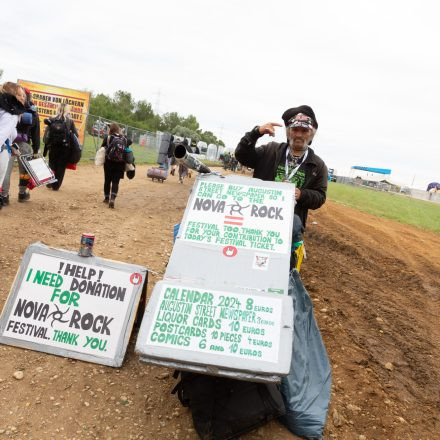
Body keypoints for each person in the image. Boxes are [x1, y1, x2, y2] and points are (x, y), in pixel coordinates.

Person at [235, 105, 328, 269]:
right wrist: (256, 132)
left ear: (311, 134)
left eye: (304, 131)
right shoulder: (270, 151)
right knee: (247, 267)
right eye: (295, 129)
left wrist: (302, 194)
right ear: (288, 131)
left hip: (288, 233)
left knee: (282, 274)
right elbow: (242, 156)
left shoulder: (318, 166)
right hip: (256, 224)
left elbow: (320, 197)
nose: (299, 134)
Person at [1, 88, 40, 204]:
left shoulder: (6, 106)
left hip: (8, 142)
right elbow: (36, 132)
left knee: (6, 170)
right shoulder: (32, 110)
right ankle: (22, 193)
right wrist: (36, 148)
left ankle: (4, 196)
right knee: (25, 171)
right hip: (24, 144)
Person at [0, 82, 27, 209]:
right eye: (20, 95)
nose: (23, 98)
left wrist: (12, 147)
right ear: (12, 96)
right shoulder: (11, 114)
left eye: (24, 96)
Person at [43, 103, 78, 191]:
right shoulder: (69, 121)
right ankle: (56, 185)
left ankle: (50, 181)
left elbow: (47, 134)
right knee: (61, 166)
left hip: (53, 146)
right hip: (65, 147)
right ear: (67, 110)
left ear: (57, 109)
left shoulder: (51, 119)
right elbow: (75, 135)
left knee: (52, 164)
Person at [102, 123, 133, 208]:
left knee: (107, 180)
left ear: (111, 129)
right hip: (120, 163)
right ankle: (113, 198)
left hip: (108, 162)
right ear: (118, 129)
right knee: (116, 181)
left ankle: (106, 197)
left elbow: (103, 148)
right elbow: (130, 142)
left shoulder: (108, 138)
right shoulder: (124, 139)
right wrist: (122, 134)